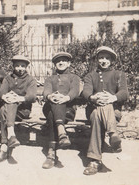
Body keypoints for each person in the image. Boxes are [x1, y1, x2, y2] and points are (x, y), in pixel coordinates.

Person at [82, 46, 129, 175]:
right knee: (97, 111)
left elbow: (124, 93)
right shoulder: (90, 76)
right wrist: (93, 97)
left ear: (112, 61)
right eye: (101, 57)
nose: (104, 60)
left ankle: (94, 161)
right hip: (94, 108)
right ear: (97, 59)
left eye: (107, 58)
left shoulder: (118, 74)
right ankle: (113, 134)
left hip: (113, 112)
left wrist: (112, 98)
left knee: (101, 111)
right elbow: (85, 91)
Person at [0, 55, 37, 164]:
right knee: (4, 109)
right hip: (8, 109)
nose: (20, 68)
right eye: (17, 66)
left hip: (23, 110)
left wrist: (17, 98)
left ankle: (5, 144)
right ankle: (8, 141)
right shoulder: (8, 78)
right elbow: (1, 92)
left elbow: (32, 96)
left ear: (26, 67)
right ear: (13, 66)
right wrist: (4, 97)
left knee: (5, 108)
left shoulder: (30, 80)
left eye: (22, 66)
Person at [41, 52, 81, 169]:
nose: (61, 63)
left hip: (68, 109)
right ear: (55, 64)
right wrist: (50, 96)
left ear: (68, 63)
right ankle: (61, 132)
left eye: (64, 60)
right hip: (51, 105)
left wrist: (65, 98)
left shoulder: (74, 77)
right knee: (54, 105)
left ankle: (51, 153)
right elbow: (46, 91)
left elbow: (75, 91)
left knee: (52, 114)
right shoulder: (50, 78)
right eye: (58, 61)